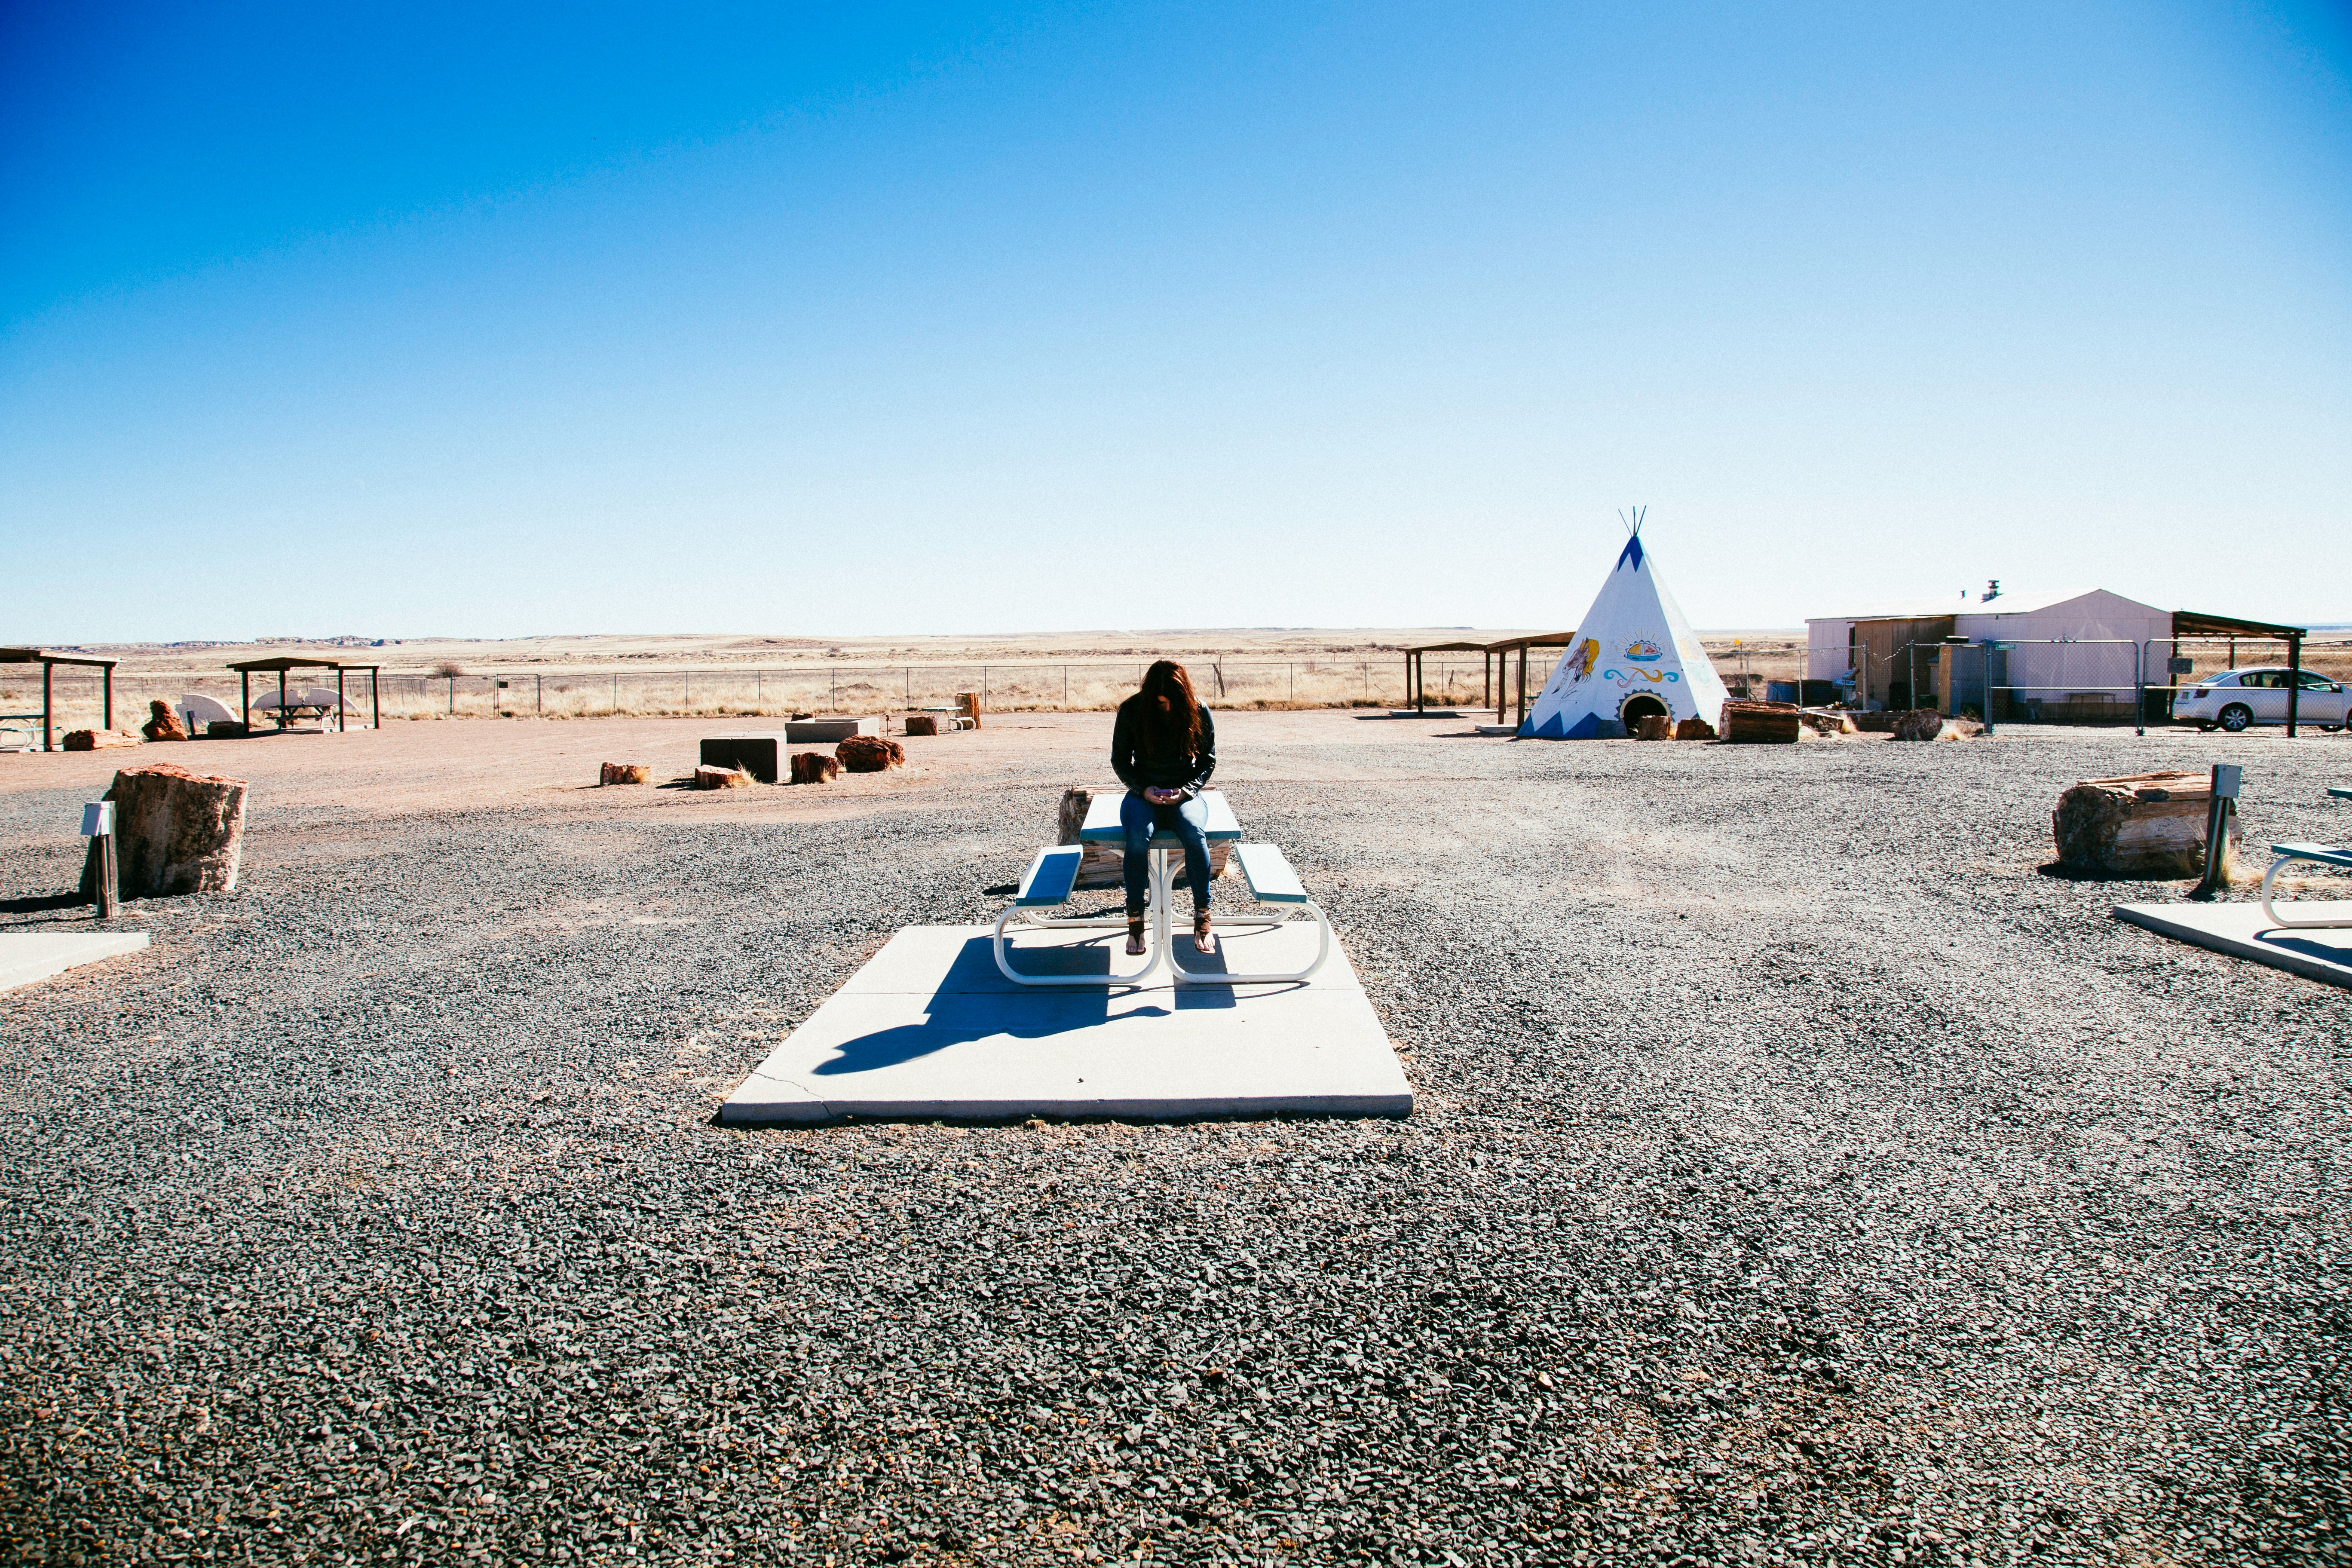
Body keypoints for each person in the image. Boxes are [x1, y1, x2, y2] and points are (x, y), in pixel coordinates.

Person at [1110, 660, 1219, 957]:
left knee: (1195, 836)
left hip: (1184, 796)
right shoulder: (1131, 710)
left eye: (1172, 701)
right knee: (1136, 838)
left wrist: (1186, 791)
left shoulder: (1198, 709)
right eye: (1159, 702)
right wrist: (1142, 789)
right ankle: (1135, 921)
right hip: (1142, 795)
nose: (1166, 706)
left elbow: (1208, 760)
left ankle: (1202, 917)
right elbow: (1120, 760)